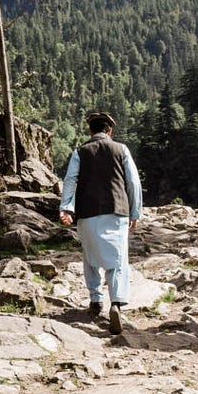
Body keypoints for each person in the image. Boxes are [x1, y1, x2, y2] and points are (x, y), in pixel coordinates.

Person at [58, 111, 142, 334]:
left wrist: (66, 207)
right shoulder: (121, 149)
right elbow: (133, 182)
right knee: (118, 259)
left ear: (90, 130)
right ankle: (116, 303)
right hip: (117, 211)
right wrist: (135, 212)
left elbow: (70, 180)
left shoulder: (80, 152)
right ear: (110, 130)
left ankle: (96, 300)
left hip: (87, 212)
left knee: (90, 256)